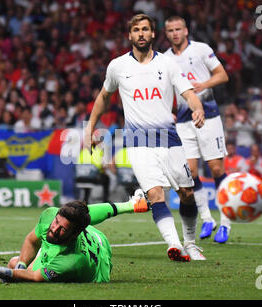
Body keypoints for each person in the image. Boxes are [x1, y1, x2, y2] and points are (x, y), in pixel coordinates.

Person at [83, 14, 206, 261]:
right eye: (136, 30)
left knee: (187, 193)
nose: (141, 33)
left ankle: (191, 243)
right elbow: (103, 97)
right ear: (130, 35)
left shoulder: (168, 64)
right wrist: (90, 129)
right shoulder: (118, 66)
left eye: (145, 29)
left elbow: (187, 92)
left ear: (152, 34)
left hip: (169, 139)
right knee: (155, 195)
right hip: (138, 143)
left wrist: (197, 107)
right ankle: (175, 246)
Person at [164, 16, 232, 243]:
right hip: (183, 121)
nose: (175, 33)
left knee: (215, 169)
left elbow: (223, 75)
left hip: (209, 116)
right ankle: (207, 219)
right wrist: (168, 111)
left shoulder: (202, 49)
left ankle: (225, 224)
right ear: (166, 34)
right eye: (171, 30)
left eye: (178, 29)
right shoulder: (164, 59)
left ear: (186, 31)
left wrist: (204, 85)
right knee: (190, 173)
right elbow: (165, 91)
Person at [0, 197, 149, 283]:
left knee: (12, 265)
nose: (54, 229)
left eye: (62, 229)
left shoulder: (72, 260)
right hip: (81, 237)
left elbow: (34, 277)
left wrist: (0, 271)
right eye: (56, 222)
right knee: (81, 213)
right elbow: (31, 241)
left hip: (99, 260)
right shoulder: (51, 215)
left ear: (74, 234)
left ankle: (131, 205)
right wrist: (21, 266)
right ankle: (132, 204)